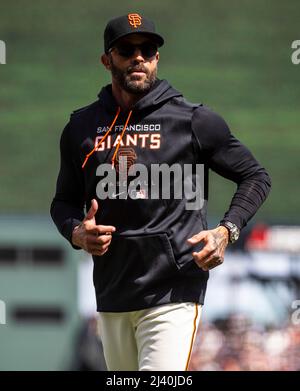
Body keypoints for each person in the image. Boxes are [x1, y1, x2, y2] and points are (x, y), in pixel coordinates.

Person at [50, 13, 271, 371]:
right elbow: (62, 202)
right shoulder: (81, 128)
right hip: (112, 292)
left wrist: (225, 231)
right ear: (107, 60)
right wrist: (76, 232)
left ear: (156, 58)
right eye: (127, 49)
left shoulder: (193, 121)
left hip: (175, 289)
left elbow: (255, 177)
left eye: (148, 50)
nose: (138, 57)